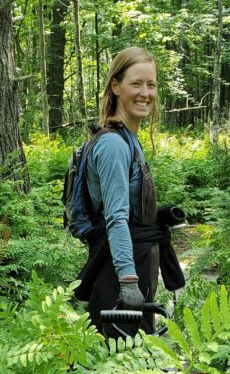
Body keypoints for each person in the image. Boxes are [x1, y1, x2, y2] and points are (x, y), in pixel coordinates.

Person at [73, 47, 185, 336]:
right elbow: (116, 218)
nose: (145, 93)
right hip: (121, 269)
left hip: (134, 262)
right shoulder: (113, 145)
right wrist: (127, 280)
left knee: (134, 367)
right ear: (115, 86)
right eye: (136, 83)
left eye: (151, 84)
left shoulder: (128, 139)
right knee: (117, 366)